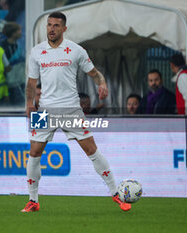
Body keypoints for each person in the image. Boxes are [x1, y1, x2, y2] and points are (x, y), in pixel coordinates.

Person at [23, 11, 131, 213]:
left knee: (91, 149)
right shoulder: (37, 51)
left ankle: (115, 193)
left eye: (56, 25)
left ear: (64, 28)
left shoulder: (76, 50)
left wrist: (103, 83)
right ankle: (32, 200)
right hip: (44, 109)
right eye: (49, 25)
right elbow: (31, 83)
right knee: (34, 152)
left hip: (71, 109)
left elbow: (94, 73)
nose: (51, 29)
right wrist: (30, 103)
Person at [1, 21, 25, 105]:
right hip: (10, 84)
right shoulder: (3, 48)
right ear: (13, 33)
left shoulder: (17, 45)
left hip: (19, 81)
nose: (21, 32)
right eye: (19, 30)